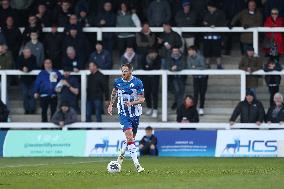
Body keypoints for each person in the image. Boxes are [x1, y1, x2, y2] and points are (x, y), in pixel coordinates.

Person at [107, 63, 145, 173]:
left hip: (135, 114)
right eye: (122, 70)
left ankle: (120, 157)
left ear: (130, 71)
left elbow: (142, 99)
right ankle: (137, 166)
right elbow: (114, 93)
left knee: (130, 139)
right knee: (129, 137)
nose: (123, 72)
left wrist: (132, 103)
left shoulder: (138, 82)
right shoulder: (117, 82)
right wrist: (110, 104)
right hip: (123, 114)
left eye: (125, 71)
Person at [202, 1, 226, 69]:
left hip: (217, 36)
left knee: (217, 51)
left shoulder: (220, 13)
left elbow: (223, 23)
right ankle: (207, 65)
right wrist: (205, 24)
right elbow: (203, 22)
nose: (208, 8)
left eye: (209, 6)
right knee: (207, 51)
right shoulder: (206, 13)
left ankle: (219, 65)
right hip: (207, 36)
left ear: (213, 7)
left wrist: (215, 25)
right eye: (208, 7)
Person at [186, 46, 208, 115]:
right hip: (195, 77)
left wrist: (194, 67)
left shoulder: (200, 57)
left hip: (203, 78)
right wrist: (196, 68)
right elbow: (189, 67)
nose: (189, 53)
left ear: (194, 51)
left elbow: (204, 67)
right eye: (188, 51)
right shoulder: (188, 58)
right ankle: (194, 108)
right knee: (195, 94)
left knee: (202, 93)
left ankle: (201, 108)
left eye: (190, 51)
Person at [17, 47, 37, 114]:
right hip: (23, 80)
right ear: (23, 53)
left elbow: (34, 66)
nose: (29, 53)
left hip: (32, 80)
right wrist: (22, 68)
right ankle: (27, 110)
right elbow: (17, 66)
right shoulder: (20, 58)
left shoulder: (33, 57)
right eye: (27, 52)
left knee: (32, 95)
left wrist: (28, 69)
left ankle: (32, 110)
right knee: (25, 95)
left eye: (29, 52)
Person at [142, 48, 161, 118]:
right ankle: (149, 108)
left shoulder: (158, 58)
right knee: (147, 93)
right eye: (153, 54)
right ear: (149, 54)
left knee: (154, 93)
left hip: (155, 78)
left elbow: (158, 67)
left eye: (155, 54)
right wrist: (151, 67)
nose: (154, 55)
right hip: (146, 78)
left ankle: (155, 109)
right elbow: (143, 67)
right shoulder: (144, 57)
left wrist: (149, 67)